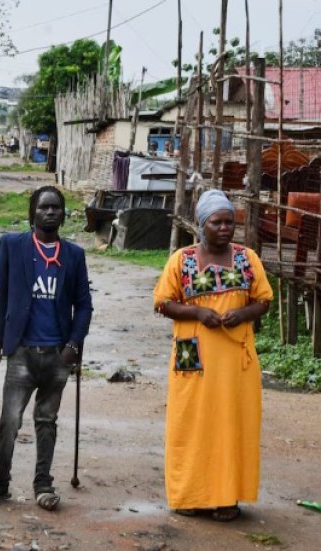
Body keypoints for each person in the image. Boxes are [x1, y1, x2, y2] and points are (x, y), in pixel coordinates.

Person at [0, 186, 93, 511]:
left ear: (63, 214)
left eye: (56, 208)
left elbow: (84, 305)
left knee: (46, 422)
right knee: (9, 422)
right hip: (21, 352)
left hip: (57, 354)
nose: (50, 213)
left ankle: (43, 485)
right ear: (31, 212)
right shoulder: (13, 246)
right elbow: (0, 294)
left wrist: (73, 347)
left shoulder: (74, 255)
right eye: (43, 208)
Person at [153, 190, 272, 522]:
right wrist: (198, 314)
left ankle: (225, 497)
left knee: (232, 424)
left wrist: (244, 314)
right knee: (191, 423)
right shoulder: (182, 259)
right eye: (217, 222)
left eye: (229, 222)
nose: (224, 228)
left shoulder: (248, 259)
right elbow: (162, 302)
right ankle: (190, 495)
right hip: (194, 356)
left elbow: (264, 299)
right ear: (202, 225)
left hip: (235, 359)